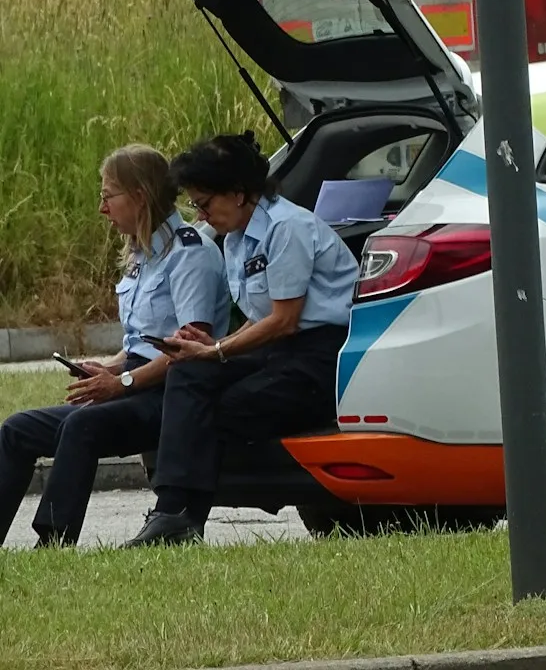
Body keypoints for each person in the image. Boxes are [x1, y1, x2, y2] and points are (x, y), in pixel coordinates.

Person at [126, 132, 357, 547]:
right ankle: (171, 512)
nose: (200, 214)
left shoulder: (287, 228)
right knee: (187, 372)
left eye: (205, 203)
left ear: (237, 194)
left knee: (226, 406)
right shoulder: (235, 237)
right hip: (277, 349)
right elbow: (257, 321)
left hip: (319, 356)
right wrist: (203, 349)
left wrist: (216, 350)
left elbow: (284, 320)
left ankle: (184, 516)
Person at [0, 146, 228, 547]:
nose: (103, 209)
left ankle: (53, 542)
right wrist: (109, 367)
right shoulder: (142, 254)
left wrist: (121, 382)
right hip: (135, 380)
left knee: (81, 425)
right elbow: (140, 342)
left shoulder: (189, 254)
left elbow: (186, 352)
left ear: (140, 195)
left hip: (170, 393)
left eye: (108, 196)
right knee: (16, 430)